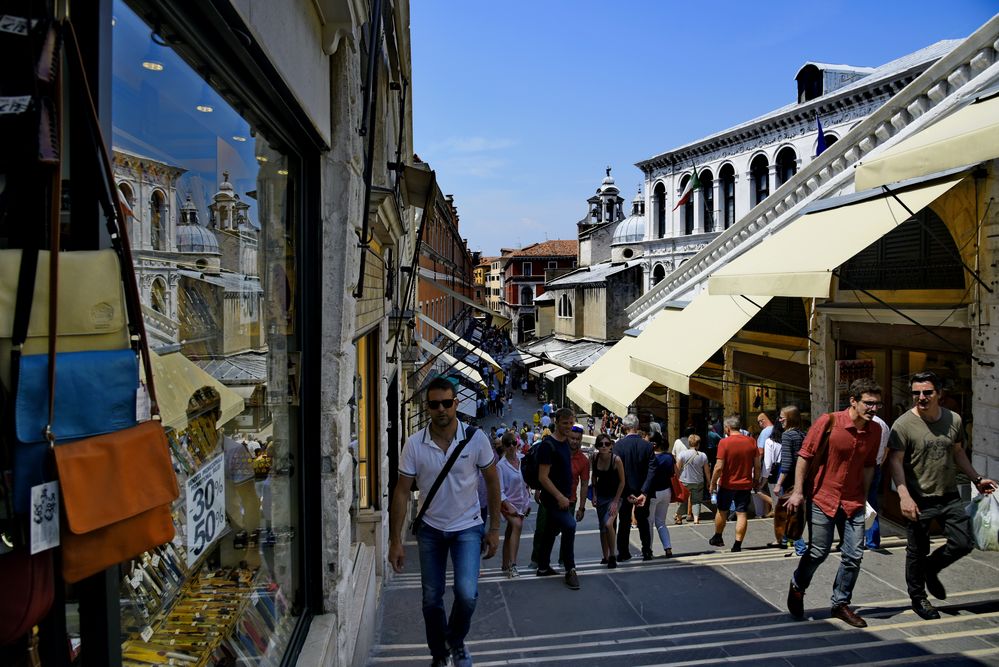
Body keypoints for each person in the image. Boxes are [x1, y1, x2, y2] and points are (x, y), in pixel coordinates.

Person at [388, 377, 500, 667]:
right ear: (427, 408)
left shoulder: (476, 439)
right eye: (435, 404)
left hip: (468, 527)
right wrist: (395, 541)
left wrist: (495, 529)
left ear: (456, 404)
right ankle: (440, 654)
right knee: (431, 599)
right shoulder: (414, 445)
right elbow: (401, 492)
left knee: (467, 593)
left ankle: (456, 640)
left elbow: (492, 482)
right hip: (431, 530)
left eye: (446, 403)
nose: (441, 410)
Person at [888, 371, 998, 621]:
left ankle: (931, 568)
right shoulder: (903, 424)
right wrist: (904, 496)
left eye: (927, 392)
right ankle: (918, 598)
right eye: (916, 393)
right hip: (918, 498)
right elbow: (895, 462)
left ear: (938, 394)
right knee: (916, 551)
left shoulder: (954, 420)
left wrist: (977, 479)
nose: (921, 397)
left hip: (948, 495)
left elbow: (958, 453)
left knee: (963, 542)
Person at [784, 378, 884, 628]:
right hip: (823, 497)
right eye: (868, 403)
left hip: (854, 501)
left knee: (854, 555)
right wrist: (797, 492)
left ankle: (840, 604)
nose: (873, 409)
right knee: (818, 551)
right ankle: (798, 585)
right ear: (853, 401)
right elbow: (804, 457)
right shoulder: (829, 422)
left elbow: (870, 465)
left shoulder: (876, 430)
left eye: (877, 404)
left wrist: (865, 497)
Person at [534, 408, 581, 590]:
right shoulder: (548, 445)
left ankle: (543, 566)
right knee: (569, 525)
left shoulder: (565, 443)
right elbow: (543, 477)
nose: (569, 426)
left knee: (550, 532)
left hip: (563, 497)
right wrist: (560, 496)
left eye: (571, 423)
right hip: (554, 499)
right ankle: (570, 570)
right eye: (565, 423)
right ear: (557, 422)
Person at [708, 415, 759, 552]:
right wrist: (756, 480)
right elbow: (757, 465)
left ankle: (718, 536)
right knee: (741, 513)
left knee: (722, 510)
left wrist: (712, 483)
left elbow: (718, 467)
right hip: (745, 483)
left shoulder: (724, 442)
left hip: (727, 484)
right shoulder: (751, 441)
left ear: (727, 427)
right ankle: (737, 544)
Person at [613, 414, 657, 561]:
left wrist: (625, 492)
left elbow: (616, 472)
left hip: (625, 490)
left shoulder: (618, 446)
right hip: (643, 490)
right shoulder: (647, 446)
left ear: (624, 428)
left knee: (624, 521)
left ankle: (623, 551)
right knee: (643, 520)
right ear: (637, 427)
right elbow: (652, 470)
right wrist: (644, 491)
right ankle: (646, 550)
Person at [773, 405, 807, 555]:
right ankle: (785, 539)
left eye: (782, 417)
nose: (779, 420)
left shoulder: (787, 435)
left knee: (791, 514)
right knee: (793, 512)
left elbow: (786, 463)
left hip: (790, 481)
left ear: (790, 419)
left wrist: (778, 483)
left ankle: (799, 546)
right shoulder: (801, 434)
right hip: (803, 478)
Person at [590, 433, 625, 568]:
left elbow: (622, 482)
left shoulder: (616, 460)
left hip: (614, 497)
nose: (604, 447)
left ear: (611, 445)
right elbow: (594, 478)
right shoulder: (594, 457)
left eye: (607, 444)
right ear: (597, 446)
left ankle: (612, 555)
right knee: (602, 527)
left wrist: (616, 501)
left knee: (609, 524)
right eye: (601, 444)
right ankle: (605, 556)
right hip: (601, 496)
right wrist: (594, 494)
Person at [497, 432, 530, 578]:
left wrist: (528, 501)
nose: (512, 446)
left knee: (510, 531)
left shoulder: (523, 460)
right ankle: (513, 565)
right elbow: (500, 491)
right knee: (517, 525)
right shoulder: (500, 466)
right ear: (504, 446)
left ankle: (505, 564)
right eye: (508, 444)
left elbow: (526, 483)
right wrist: (507, 505)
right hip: (507, 504)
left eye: (514, 443)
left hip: (522, 502)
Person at [646, 433, 675, 557]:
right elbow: (674, 472)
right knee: (661, 522)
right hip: (666, 491)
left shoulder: (650, 457)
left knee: (649, 522)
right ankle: (667, 547)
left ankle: (649, 549)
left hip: (653, 493)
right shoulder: (669, 457)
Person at [864, 414, 890, 550]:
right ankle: (872, 541)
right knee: (871, 503)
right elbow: (886, 449)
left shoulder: (866, 423)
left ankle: (856, 539)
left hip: (863, 468)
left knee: (860, 504)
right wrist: (880, 464)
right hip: (877, 466)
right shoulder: (883, 424)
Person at [676, 434, 710, 524]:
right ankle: (696, 519)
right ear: (698, 444)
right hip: (698, 482)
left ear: (689, 443)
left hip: (684, 481)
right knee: (696, 501)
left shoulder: (682, 454)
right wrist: (709, 481)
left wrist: (676, 479)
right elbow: (707, 471)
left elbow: (678, 468)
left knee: (683, 500)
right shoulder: (703, 455)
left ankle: (679, 517)